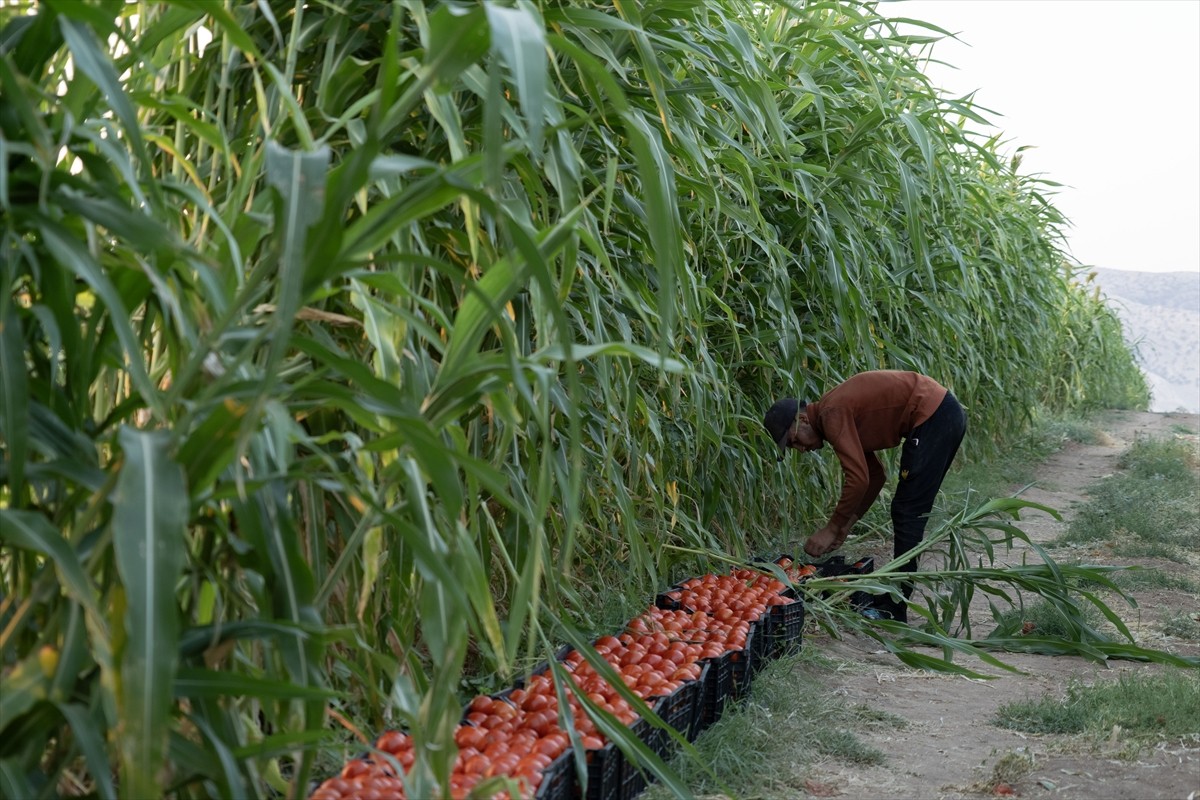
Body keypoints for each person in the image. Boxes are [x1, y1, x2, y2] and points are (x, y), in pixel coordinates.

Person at [763, 370, 967, 621]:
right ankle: (894, 598)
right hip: (942, 415)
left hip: (934, 417)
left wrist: (831, 527)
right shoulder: (836, 412)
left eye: (794, 441)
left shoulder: (831, 413)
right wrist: (846, 525)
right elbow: (874, 476)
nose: (800, 449)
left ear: (803, 420)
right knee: (907, 510)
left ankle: (894, 606)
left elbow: (858, 480)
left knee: (907, 511)